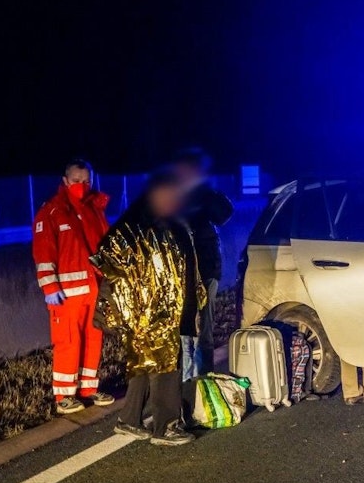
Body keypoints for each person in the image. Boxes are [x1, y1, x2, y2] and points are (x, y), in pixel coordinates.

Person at [92, 171, 205, 446]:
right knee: (165, 366)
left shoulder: (168, 222)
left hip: (160, 310)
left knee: (144, 365)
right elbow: (108, 256)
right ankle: (166, 428)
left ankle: (128, 420)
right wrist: (130, 303)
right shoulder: (139, 224)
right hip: (152, 313)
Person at [32, 158, 115, 414]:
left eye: (87, 181)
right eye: (77, 181)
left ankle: (88, 388)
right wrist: (50, 287)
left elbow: (105, 248)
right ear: (65, 180)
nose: (83, 185)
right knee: (68, 341)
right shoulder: (52, 212)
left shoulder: (94, 209)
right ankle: (64, 395)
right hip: (66, 295)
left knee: (94, 338)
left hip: (94, 289)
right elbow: (43, 253)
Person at [172, 148, 233, 378]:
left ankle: (205, 376)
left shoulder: (204, 195)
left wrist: (204, 192)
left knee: (205, 326)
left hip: (206, 269)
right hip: (181, 274)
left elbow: (225, 212)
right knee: (184, 326)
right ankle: (186, 379)